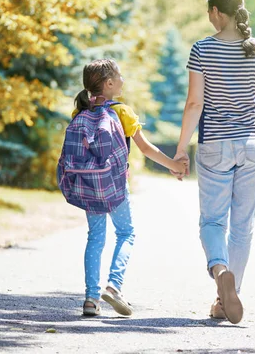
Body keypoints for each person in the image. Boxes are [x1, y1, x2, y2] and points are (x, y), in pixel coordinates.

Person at [172, 0, 255, 324]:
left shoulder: (202, 50)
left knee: (213, 221)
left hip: (214, 145)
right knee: (242, 227)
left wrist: (181, 149)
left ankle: (220, 270)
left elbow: (195, 103)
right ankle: (228, 297)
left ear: (215, 12)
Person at [69, 59, 187, 317]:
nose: (123, 79)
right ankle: (113, 286)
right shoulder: (122, 111)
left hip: (89, 185)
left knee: (95, 237)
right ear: (109, 83)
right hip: (115, 185)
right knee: (126, 232)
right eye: (120, 76)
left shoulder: (80, 112)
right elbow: (146, 148)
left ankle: (90, 298)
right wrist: (174, 165)